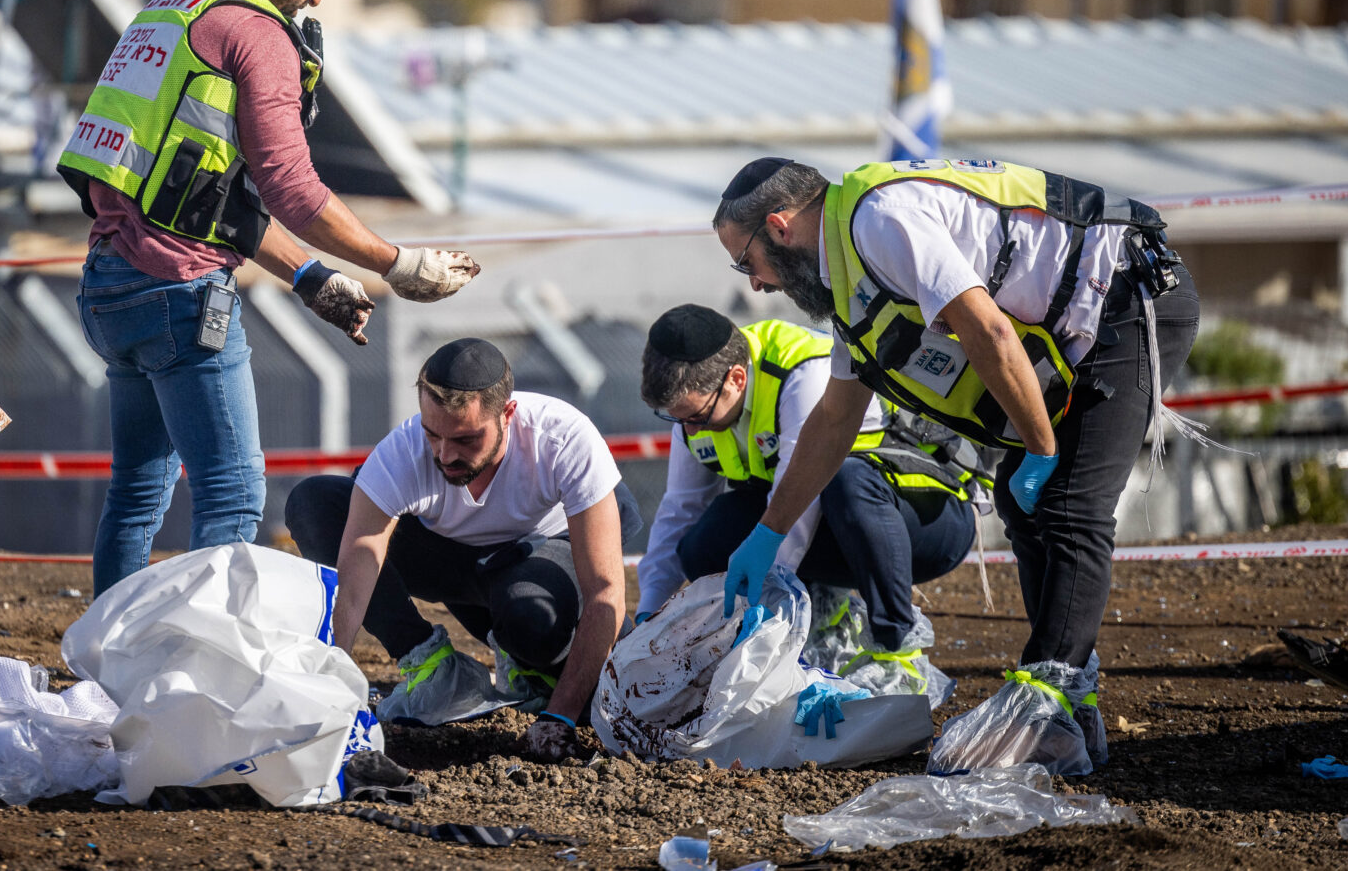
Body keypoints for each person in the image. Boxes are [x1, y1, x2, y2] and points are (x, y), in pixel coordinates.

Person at [58, 0, 481, 595]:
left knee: (136, 496)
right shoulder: (255, 30)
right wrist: (396, 263)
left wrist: (309, 275)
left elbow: (192, 194)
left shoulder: (170, 8)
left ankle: (107, 664)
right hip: (180, 298)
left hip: (110, 287)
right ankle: (200, 669)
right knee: (232, 495)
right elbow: (290, 186)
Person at [712, 155, 1199, 770]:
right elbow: (834, 422)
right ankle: (1068, 705)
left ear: (780, 226)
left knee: (1068, 504)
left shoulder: (878, 220)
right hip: (1088, 320)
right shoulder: (852, 275)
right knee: (1024, 506)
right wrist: (768, 532)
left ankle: (1045, 700)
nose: (753, 283)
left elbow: (988, 331)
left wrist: (1042, 449)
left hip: (1129, 298)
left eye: (744, 260)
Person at [285, 338, 630, 761]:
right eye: (434, 434)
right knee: (315, 501)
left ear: (508, 413)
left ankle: (532, 669)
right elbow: (352, 589)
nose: (446, 454)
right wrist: (322, 689)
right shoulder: (404, 452)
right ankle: (434, 670)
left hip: (542, 562)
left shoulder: (563, 437)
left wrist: (559, 719)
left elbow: (605, 591)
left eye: (466, 439)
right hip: (458, 564)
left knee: (539, 624)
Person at [635, 304, 978, 693]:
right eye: (677, 419)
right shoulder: (697, 411)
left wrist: (771, 606)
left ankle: (897, 652)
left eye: (696, 416)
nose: (689, 429)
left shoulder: (804, 372)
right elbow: (679, 511)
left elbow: (798, 494)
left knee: (843, 479)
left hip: (928, 520)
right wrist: (649, 613)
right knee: (705, 541)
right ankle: (827, 621)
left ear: (735, 378)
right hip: (839, 529)